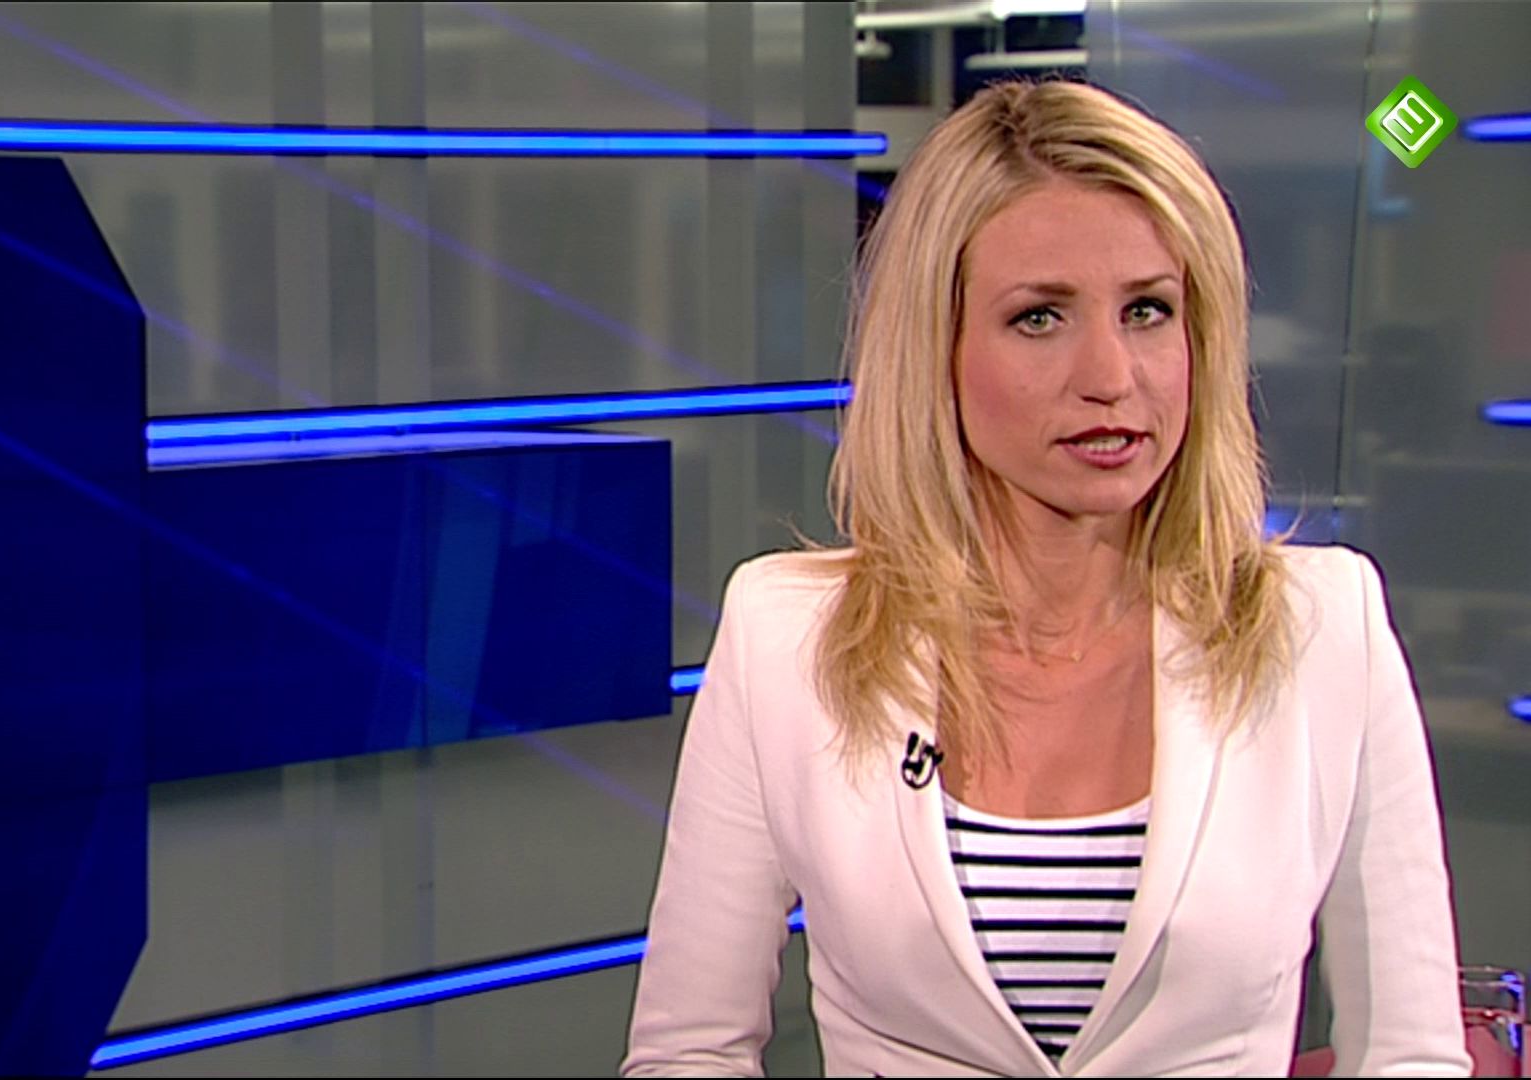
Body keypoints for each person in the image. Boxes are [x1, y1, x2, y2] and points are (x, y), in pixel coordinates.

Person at [622, 79, 1469, 1078]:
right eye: (1039, 318)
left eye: (1148, 310)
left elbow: (1411, 1055)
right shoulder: (784, 636)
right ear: (935, 347)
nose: (1110, 375)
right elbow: (690, 1050)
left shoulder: (1324, 628)